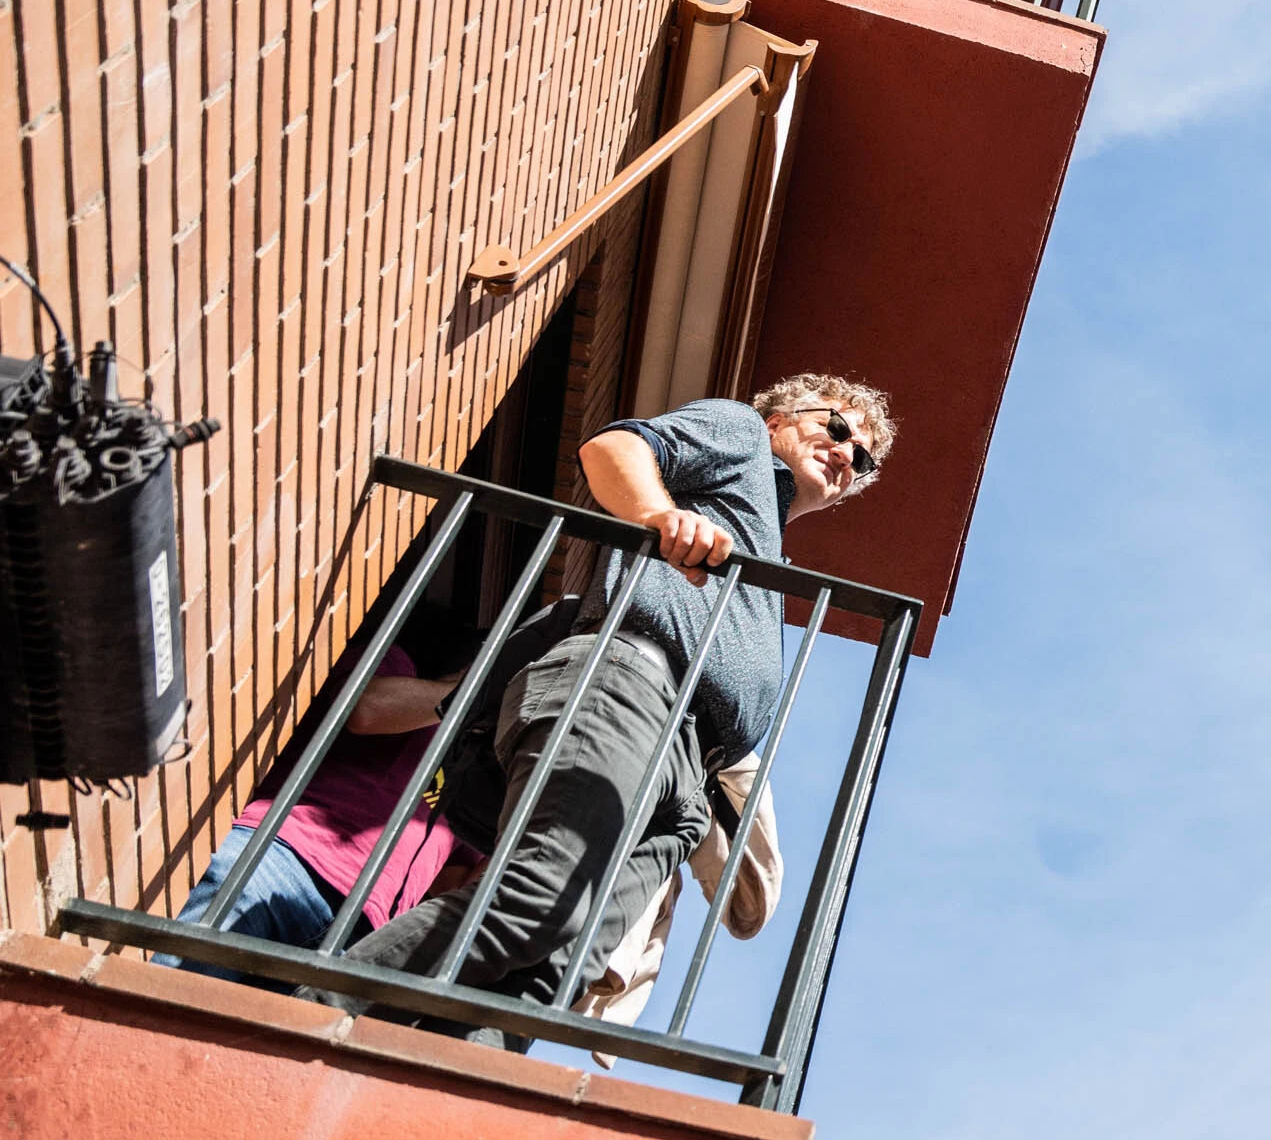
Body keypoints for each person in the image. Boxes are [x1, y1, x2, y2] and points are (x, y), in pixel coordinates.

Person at [314, 373, 893, 1035]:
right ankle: (306, 1020)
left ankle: (391, 1089)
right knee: (536, 904)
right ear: (777, 422)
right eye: (837, 428)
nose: (848, 454)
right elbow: (612, 449)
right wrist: (654, 514)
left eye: (863, 458)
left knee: (547, 979)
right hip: (629, 691)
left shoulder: (762, 534)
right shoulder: (738, 435)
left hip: (682, 783)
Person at [161, 622, 480, 989]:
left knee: (225, 1040)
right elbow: (365, 709)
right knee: (169, 994)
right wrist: (476, 694)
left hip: (360, 931)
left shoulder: (474, 776)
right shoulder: (396, 665)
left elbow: (451, 887)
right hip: (286, 859)